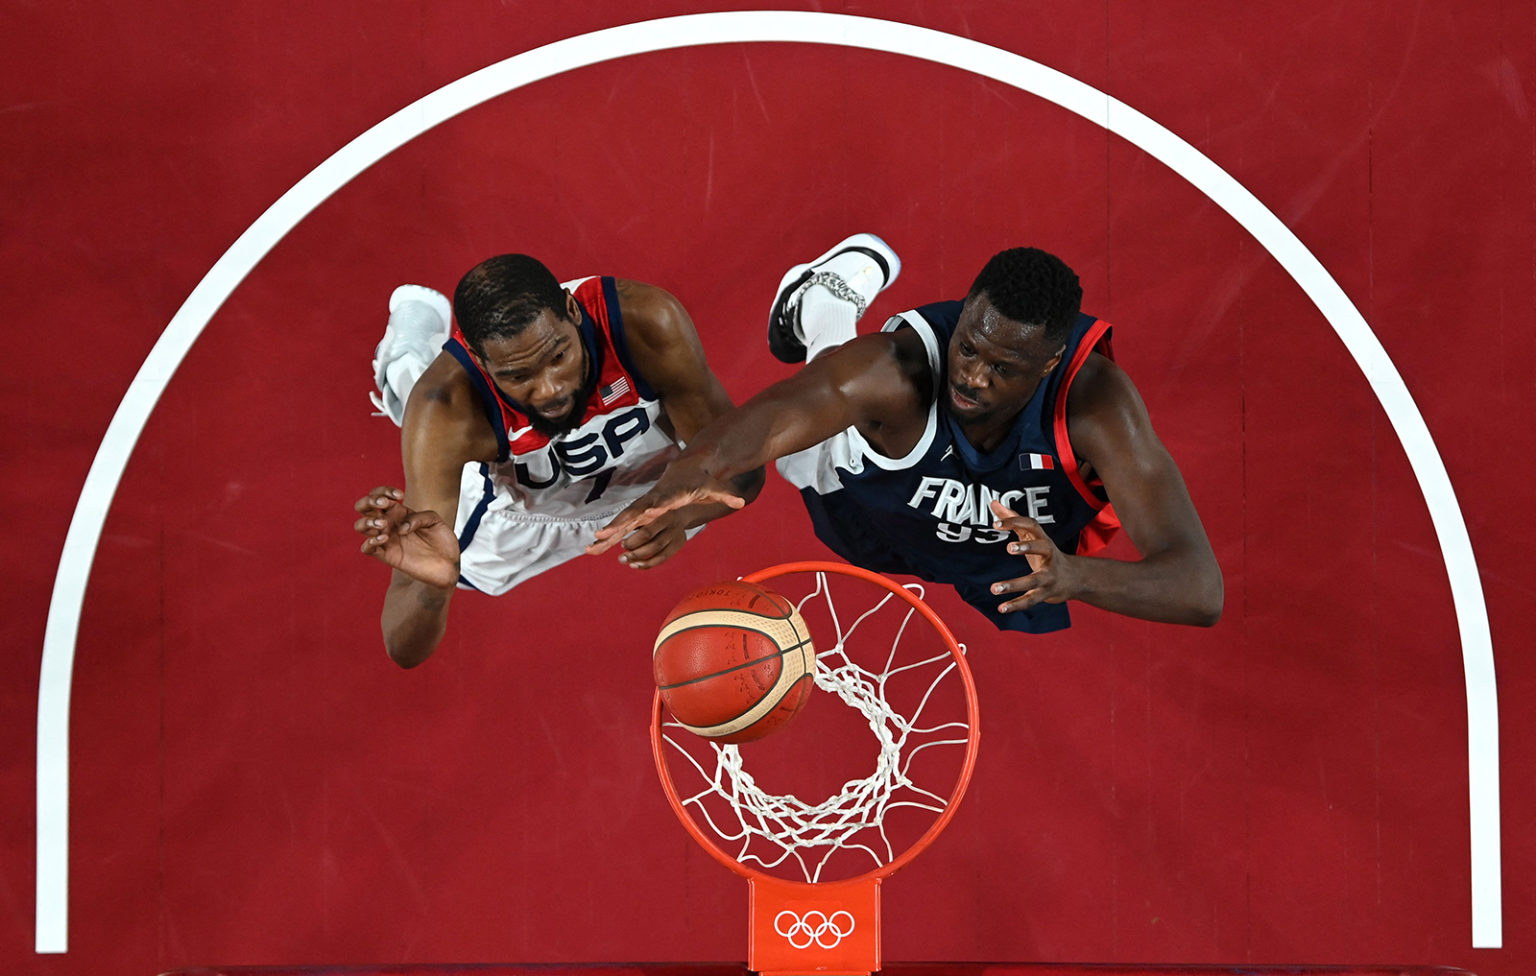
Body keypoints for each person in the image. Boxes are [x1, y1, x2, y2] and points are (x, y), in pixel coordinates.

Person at [589, 234, 1221, 633]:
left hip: (993, 562)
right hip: (863, 497)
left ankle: (828, 300)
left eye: (1003, 368)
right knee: (797, 447)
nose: (971, 375)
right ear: (966, 312)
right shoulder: (899, 370)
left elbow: (1198, 588)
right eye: (969, 345)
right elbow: (774, 415)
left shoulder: (1098, 408)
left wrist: (1076, 578)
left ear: (1050, 364)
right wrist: (688, 473)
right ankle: (826, 301)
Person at [354, 254, 761, 667]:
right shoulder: (446, 409)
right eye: (518, 376)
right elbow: (402, 649)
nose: (549, 389)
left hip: (651, 483)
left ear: (572, 311)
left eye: (558, 357)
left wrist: (684, 514)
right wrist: (435, 588)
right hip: (527, 509)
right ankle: (405, 359)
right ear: (478, 360)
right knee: (421, 414)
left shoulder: (645, 323)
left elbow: (743, 472)